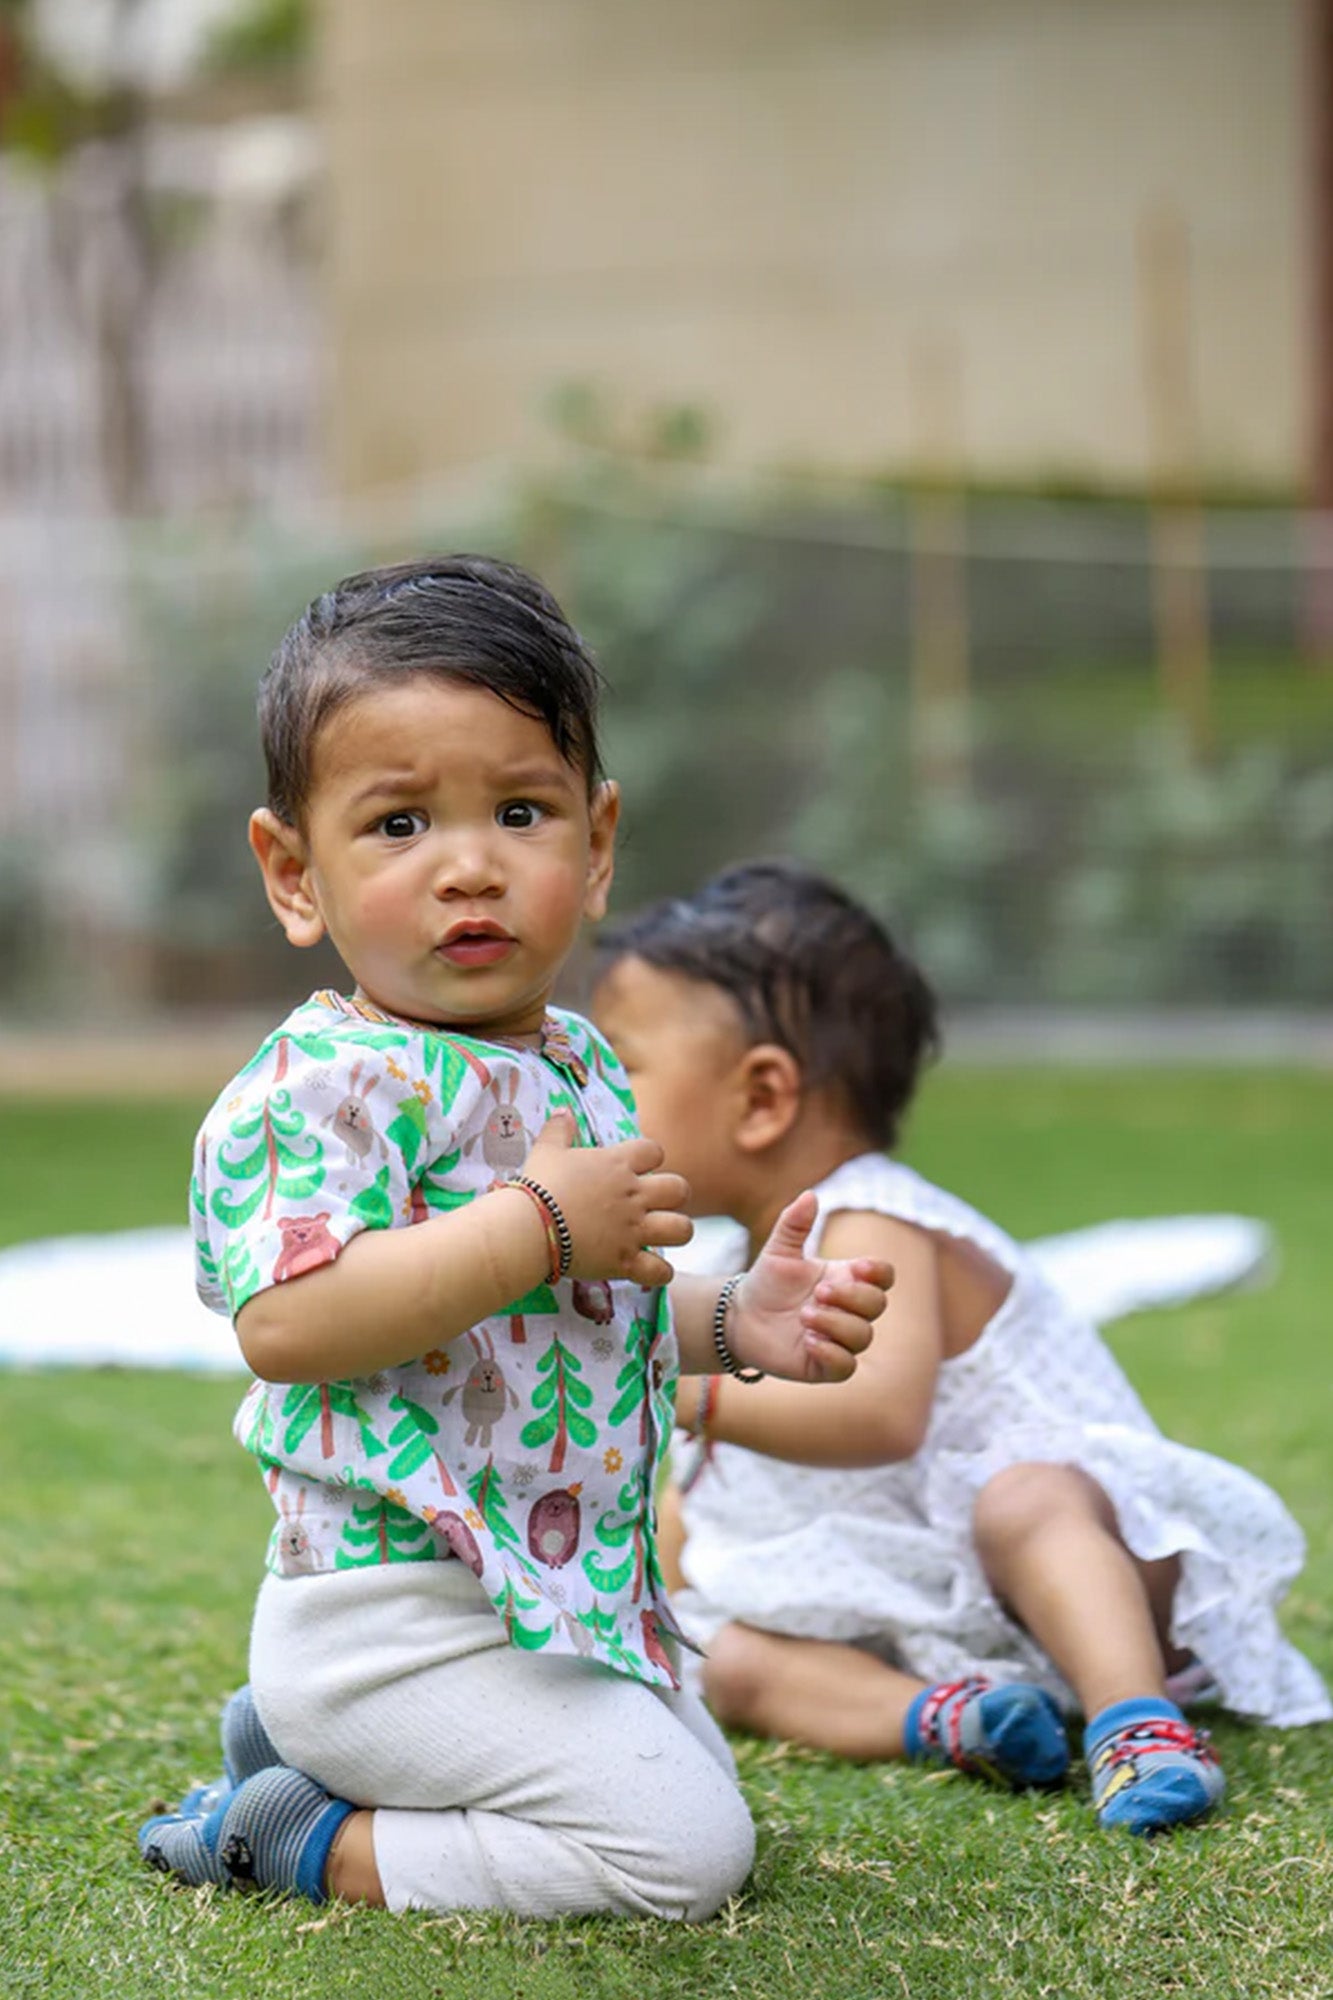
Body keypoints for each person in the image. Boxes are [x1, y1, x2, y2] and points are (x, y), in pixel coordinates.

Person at [137, 559, 892, 1919]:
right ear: (292, 872)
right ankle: (293, 1832)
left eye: (521, 811)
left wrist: (732, 1323)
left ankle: (304, 1758)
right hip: (395, 1619)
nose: (469, 864)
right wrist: (537, 1225)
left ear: (595, 847)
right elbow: (291, 1325)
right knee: (682, 1857)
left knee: (700, 1779)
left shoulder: (582, 1065)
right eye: (399, 823)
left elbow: (576, 1313)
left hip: (565, 1596)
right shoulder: (320, 1094)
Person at [589, 860, 1331, 1836]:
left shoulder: (873, 1221)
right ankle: (951, 1718)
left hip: (1080, 1580)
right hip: (927, 1615)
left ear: (763, 1096)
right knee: (725, 1655)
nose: (596, 1096)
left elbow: (877, 1413)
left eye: (619, 1065)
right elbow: (704, 1482)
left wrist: (681, 1388)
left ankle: (1135, 1719)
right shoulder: (730, 1266)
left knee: (1026, 1497)